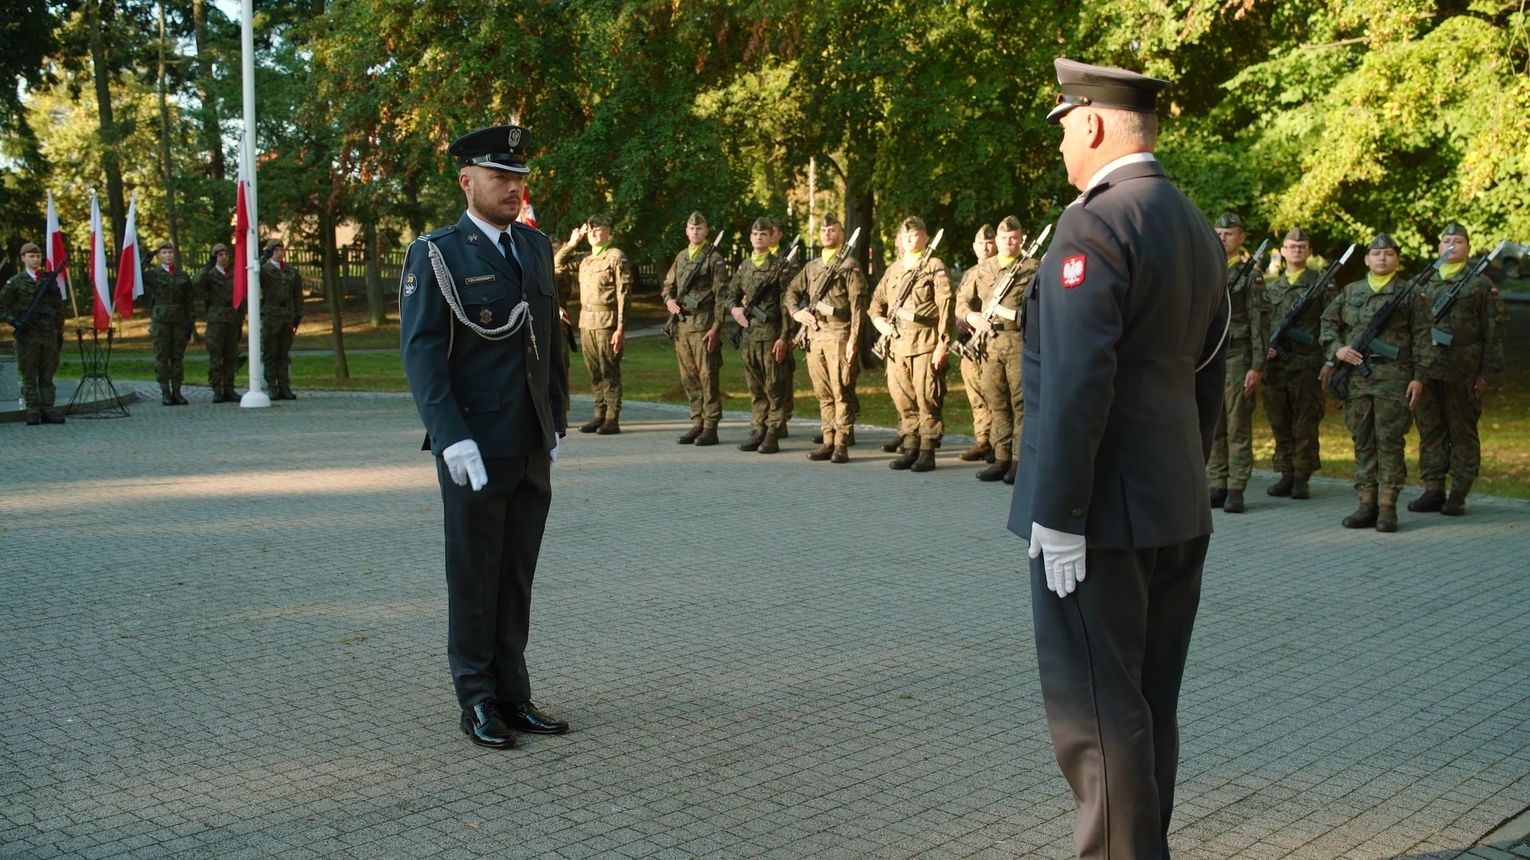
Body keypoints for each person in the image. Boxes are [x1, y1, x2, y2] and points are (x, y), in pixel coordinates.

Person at [1008, 59, 1228, 860]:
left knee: (1098, 721)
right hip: (1171, 502)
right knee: (1145, 708)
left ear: (1093, 122)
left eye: (1064, 124)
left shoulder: (1095, 224)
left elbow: (1074, 380)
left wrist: (1059, 514)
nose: (1062, 141)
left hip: (1097, 516)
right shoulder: (1192, 221)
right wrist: (1182, 474)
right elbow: (1210, 370)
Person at [399, 124, 569, 750]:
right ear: (467, 181)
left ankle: (513, 694)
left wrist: (554, 418)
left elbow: (549, 344)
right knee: (475, 576)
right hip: (473, 445)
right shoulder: (437, 254)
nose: (513, 189)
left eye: (519, 178)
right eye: (501, 177)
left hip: (528, 440)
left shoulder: (534, 247)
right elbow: (423, 355)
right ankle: (476, 700)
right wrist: (450, 438)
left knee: (515, 575)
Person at [1320, 233, 1430, 533]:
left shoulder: (1410, 294)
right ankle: (1366, 503)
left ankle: (1387, 507)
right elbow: (1327, 322)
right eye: (1376, 253)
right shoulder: (1351, 292)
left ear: (1396, 259)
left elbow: (1423, 338)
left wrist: (1419, 377)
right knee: (1363, 441)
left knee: (1390, 442)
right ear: (1367, 259)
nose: (1382, 258)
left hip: (1394, 379)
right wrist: (1336, 349)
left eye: (1389, 253)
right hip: (1357, 380)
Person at [1409, 222, 1505, 517]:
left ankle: (1459, 493)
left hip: (1463, 371)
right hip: (1427, 371)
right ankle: (1433, 489)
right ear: (1438, 247)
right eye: (1446, 240)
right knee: (1430, 430)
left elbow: (1494, 331)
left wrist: (1486, 372)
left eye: (1458, 241)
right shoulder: (1422, 283)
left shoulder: (1480, 284)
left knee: (1462, 431)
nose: (1451, 245)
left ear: (1468, 248)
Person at [869, 216, 952, 472]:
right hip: (896, 344)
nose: (909, 240)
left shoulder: (934, 266)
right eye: (905, 237)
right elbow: (875, 304)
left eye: (914, 235)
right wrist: (879, 322)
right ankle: (910, 446)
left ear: (925, 237)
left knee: (927, 398)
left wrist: (942, 345)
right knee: (903, 399)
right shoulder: (893, 270)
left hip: (925, 342)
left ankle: (927, 450)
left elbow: (946, 308)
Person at [958, 216, 1036, 483]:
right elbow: (962, 303)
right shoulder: (982, 269)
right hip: (989, 344)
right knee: (996, 402)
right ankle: (1000, 458)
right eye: (1004, 238)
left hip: (1018, 343)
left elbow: (1044, 307)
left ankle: (1018, 461)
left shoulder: (1033, 268)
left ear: (1021, 238)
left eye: (1014, 238)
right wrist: (972, 318)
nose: (1009, 242)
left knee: (1020, 403)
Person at [786, 213, 868, 463]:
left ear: (842, 234)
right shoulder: (811, 266)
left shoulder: (849, 264)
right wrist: (796, 313)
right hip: (815, 336)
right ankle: (828, 439)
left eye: (832, 230)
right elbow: (791, 291)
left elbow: (858, 306)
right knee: (823, 393)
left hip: (840, 335)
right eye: (823, 231)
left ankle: (842, 443)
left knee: (841, 391)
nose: (827, 234)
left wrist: (854, 339)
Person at [1259, 228, 1330, 500]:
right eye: (1291, 246)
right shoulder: (1271, 285)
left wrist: (1327, 361)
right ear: (1283, 251)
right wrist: (1265, 349)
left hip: (1306, 364)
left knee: (1305, 423)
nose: (1297, 249)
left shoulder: (1321, 284)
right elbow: (1262, 322)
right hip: (1275, 367)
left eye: (1302, 246)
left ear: (1309, 251)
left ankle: (1302, 477)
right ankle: (1285, 473)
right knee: (1279, 421)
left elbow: (1330, 322)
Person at [1206, 213, 1265, 512]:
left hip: (1239, 354)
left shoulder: (1251, 275)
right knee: (1213, 421)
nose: (1222, 238)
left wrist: (1257, 366)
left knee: (1237, 422)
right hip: (1210, 355)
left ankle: (1237, 487)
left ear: (1240, 238)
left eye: (1229, 233)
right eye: (1218, 232)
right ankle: (1217, 482)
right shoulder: (1204, 270)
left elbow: (1258, 323)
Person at [725, 216, 798, 453]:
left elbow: (787, 306)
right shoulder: (745, 266)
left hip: (771, 336)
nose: (759, 238)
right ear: (750, 237)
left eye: (763, 235)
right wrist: (735, 310)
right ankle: (759, 429)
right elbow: (730, 295)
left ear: (771, 237)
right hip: (748, 336)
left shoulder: (780, 267)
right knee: (755, 388)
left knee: (774, 386)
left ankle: (773, 432)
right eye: (755, 234)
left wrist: (784, 338)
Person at [555, 214, 630, 434]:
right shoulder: (586, 259)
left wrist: (621, 328)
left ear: (609, 232)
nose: (595, 233)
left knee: (609, 369)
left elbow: (624, 294)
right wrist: (573, 242)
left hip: (607, 321)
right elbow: (557, 263)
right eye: (591, 230)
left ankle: (611, 417)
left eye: (599, 230)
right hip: (587, 322)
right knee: (595, 370)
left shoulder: (616, 257)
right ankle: (599, 414)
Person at [661, 212, 728, 446]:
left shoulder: (714, 258)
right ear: (686, 231)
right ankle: (697, 421)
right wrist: (669, 300)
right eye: (691, 228)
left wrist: (717, 327)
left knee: (707, 376)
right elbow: (668, 285)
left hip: (704, 325)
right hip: (682, 326)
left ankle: (710, 426)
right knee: (689, 378)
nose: (695, 232)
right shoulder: (681, 257)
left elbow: (721, 296)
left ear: (706, 231)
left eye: (699, 229)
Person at [0, 242, 66, 425]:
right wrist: (14, 321)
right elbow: (2, 306)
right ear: (23, 258)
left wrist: (59, 331)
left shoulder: (48, 280)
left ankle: (48, 409)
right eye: (31, 256)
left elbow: (58, 308)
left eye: (38, 256)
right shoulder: (15, 282)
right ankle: (33, 411)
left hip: (48, 335)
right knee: (29, 375)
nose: (35, 259)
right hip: (27, 336)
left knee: (47, 376)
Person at [954, 225, 998, 465]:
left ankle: (998, 443)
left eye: (990, 242)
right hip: (971, 343)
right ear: (974, 246)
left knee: (996, 394)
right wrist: (963, 321)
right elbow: (960, 304)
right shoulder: (970, 273)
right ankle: (982, 440)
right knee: (975, 393)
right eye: (981, 243)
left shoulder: (1002, 270)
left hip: (994, 341)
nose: (985, 247)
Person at [142, 242, 196, 406]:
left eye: (170, 252)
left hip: (179, 321)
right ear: (159, 256)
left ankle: (177, 392)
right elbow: (135, 275)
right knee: (162, 358)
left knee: (177, 358)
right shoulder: (153, 274)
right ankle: (165, 392)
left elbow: (189, 301)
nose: (168, 256)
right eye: (164, 253)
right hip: (161, 322)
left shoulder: (183, 276)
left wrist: (190, 323)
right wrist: (144, 262)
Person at [195, 243, 243, 403]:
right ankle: (217, 389)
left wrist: (240, 321)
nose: (223, 258)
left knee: (231, 356)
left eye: (225, 255)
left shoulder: (234, 275)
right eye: (219, 255)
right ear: (214, 257)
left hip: (232, 319)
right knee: (216, 357)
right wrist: (208, 266)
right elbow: (195, 284)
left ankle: (229, 388)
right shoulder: (209, 274)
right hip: (216, 320)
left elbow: (241, 299)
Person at [259, 239, 303, 400]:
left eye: (281, 249)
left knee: (283, 354)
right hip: (271, 316)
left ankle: (284, 386)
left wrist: (298, 314)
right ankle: (272, 386)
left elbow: (297, 294)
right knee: (271, 352)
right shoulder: (265, 270)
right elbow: (257, 275)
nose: (280, 253)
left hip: (287, 316)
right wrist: (264, 257)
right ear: (271, 252)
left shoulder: (291, 270)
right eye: (276, 250)